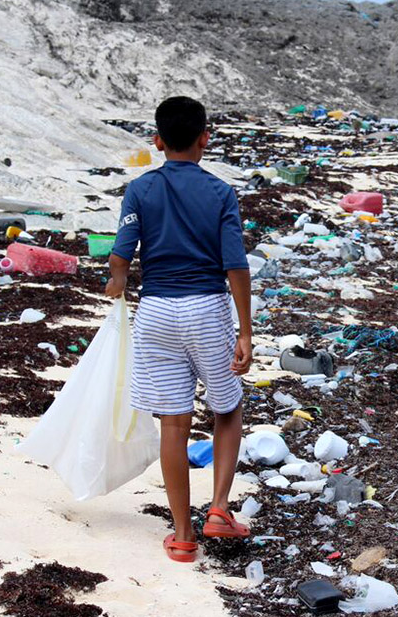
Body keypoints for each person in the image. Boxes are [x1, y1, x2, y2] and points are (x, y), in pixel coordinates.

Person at [105, 96, 253, 563]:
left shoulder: (140, 190)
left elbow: (120, 257)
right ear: (205, 138)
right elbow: (236, 266)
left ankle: (184, 536)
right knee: (226, 409)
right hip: (206, 309)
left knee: (174, 423)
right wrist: (245, 331)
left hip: (156, 314)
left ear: (157, 141)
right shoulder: (220, 193)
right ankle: (219, 510)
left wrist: (117, 281)